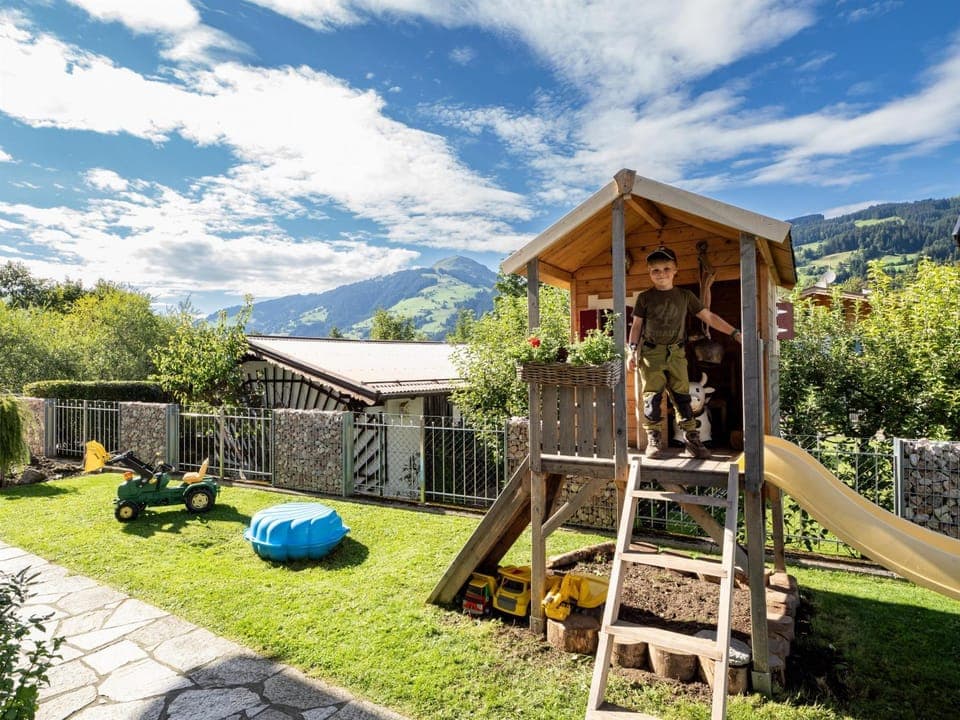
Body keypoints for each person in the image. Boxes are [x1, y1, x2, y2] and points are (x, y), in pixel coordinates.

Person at [626, 246, 742, 459]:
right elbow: (636, 326)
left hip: (676, 354)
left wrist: (734, 333)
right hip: (651, 355)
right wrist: (631, 350)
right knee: (652, 398)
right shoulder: (645, 298)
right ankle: (654, 439)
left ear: (675, 270)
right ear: (649, 273)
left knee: (682, 397)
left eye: (666, 268)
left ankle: (692, 439)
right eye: (656, 270)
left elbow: (709, 317)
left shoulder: (685, 296)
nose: (661, 274)